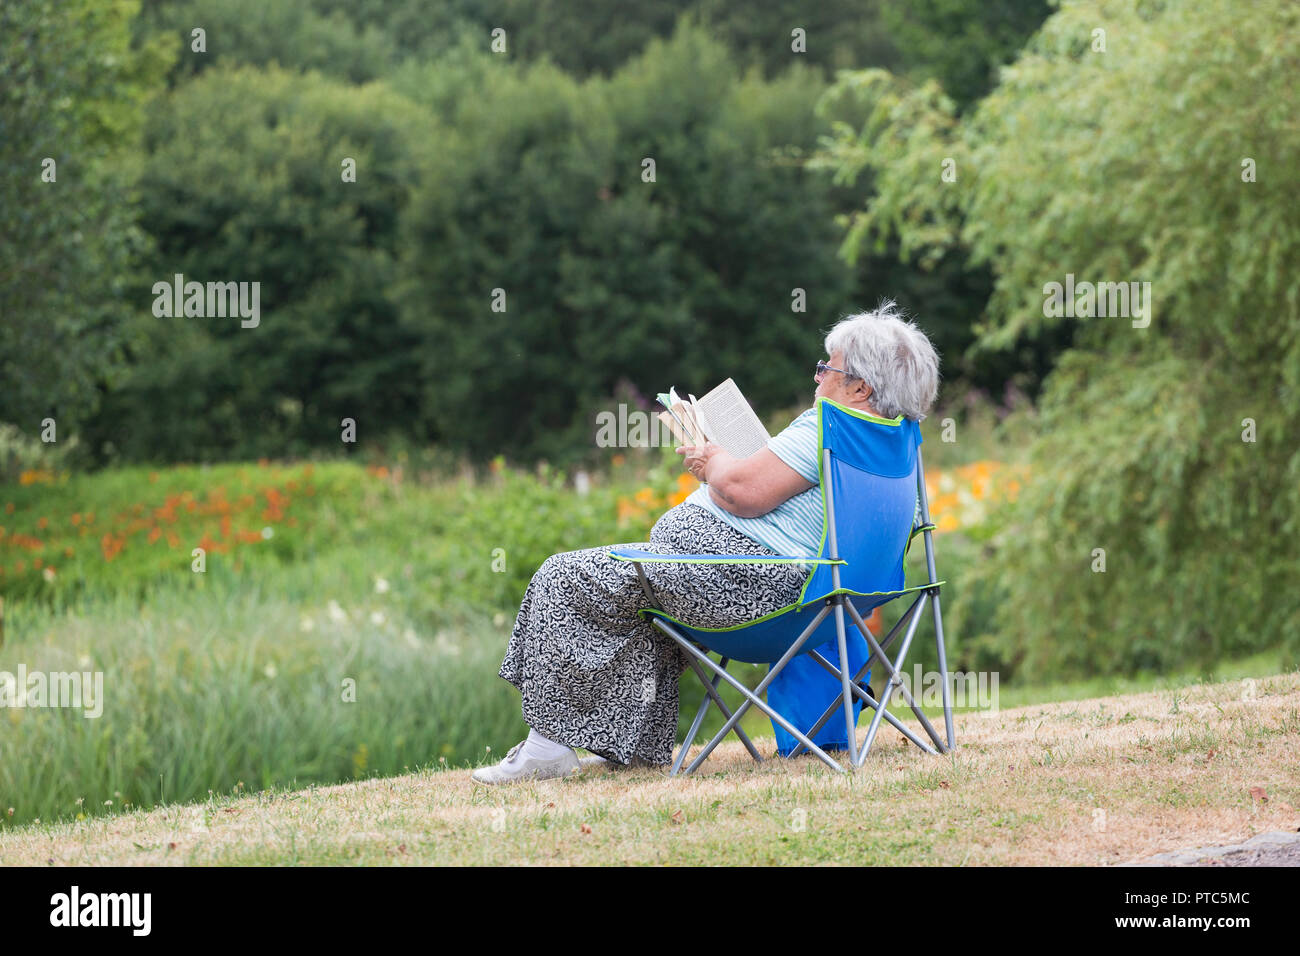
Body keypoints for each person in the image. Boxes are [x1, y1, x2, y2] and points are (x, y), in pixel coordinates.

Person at [472, 301, 940, 784]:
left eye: (828, 368)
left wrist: (711, 459)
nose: (817, 379)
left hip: (758, 600)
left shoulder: (829, 426)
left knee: (563, 575)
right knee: (635, 592)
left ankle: (546, 747)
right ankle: (628, 746)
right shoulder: (895, 442)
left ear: (860, 386)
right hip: (827, 606)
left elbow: (741, 492)